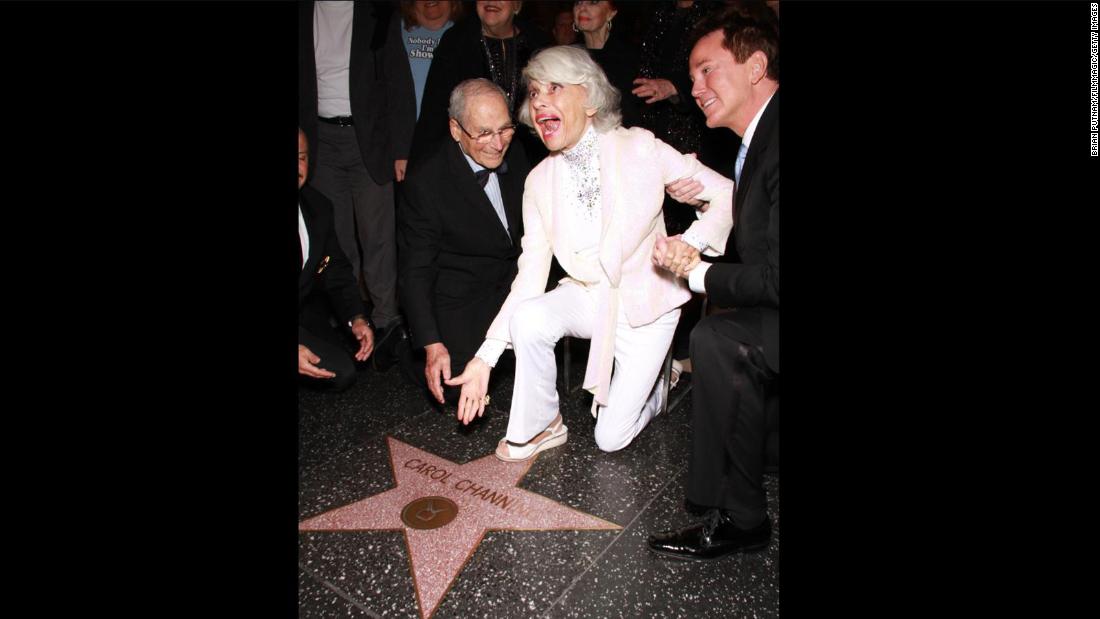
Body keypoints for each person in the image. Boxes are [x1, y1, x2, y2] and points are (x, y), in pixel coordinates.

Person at [446, 46, 733, 462]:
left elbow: (727, 194)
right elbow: (529, 277)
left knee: (610, 438)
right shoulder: (539, 181)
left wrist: (692, 242)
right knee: (530, 316)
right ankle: (543, 423)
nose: (540, 100)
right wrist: (485, 359)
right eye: (534, 92)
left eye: (555, 88)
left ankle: (655, 390)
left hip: (644, 304)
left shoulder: (640, 148)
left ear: (591, 96)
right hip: (588, 296)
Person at [647, 4, 780, 560]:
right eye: (692, 74)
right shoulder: (760, 135)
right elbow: (762, 230)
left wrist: (699, 273)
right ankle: (760, 451)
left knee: (717, 340)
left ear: (755, 66)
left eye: (708, 69)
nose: (694, 86)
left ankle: (738, 515)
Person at [398, 79, 530, 405]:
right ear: (456, 129)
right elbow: (415, 270)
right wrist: (430, 344)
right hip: (463, 295)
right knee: (457, 384)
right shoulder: (425, 183)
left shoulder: (518, 152)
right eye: (484, 133)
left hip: (516, 281)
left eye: (505, 129)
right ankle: (405, 354)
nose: (498, 144)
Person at [299, 1, 406, 370]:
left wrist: (401, 149)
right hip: (317, 139)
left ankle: (387, 322)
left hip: (369, 140)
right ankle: (351, 322)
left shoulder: (378, 11)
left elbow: (397, 81)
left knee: (378, 236)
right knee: (337, 241)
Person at [410, 1, 552, 166]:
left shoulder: (539, 44)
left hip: (532, 162)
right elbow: (433, 113)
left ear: (516, 4)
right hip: (469, 162)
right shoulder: (456, 42)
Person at [298, 129, 375, 391]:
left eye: (301, 157)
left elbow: (337, 270)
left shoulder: (317, 206)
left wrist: (357, 318)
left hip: (303, 309)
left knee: (340, 371)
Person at [384, 0, 463, 184]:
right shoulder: (392, 29)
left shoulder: (465, 34)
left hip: (449, 148)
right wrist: (399, 149)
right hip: (404, 151)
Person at [572, 1, 640, 128]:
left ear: (611, 13)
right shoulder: (569, 57)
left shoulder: (631, 56)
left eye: (593, 2)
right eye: (578, 2)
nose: (582, 8)